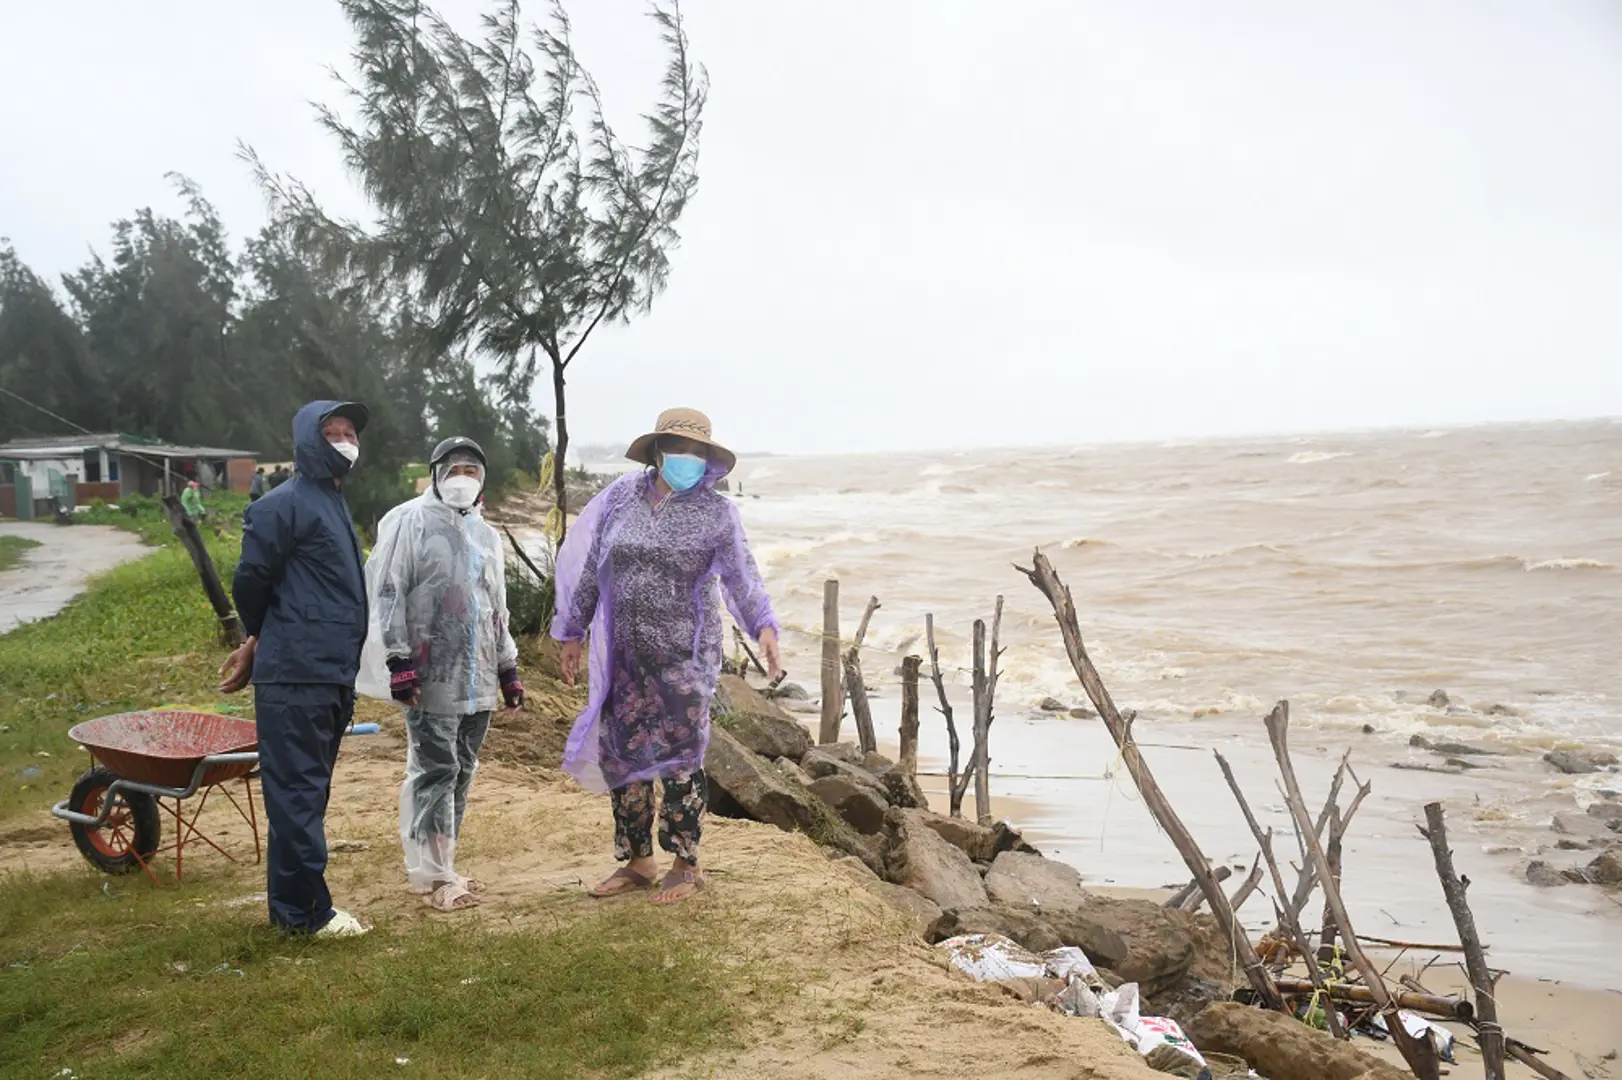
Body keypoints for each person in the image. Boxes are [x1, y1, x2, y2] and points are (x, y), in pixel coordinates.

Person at [551, 407, 781, 905]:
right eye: (680, 448)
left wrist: (763, 625)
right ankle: (638, 862)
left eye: (699, 451)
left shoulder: (717, 513)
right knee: (623, 755)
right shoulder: (620, 498)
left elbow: (743, 577)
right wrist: (572, 629)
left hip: (685, 657)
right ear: (657, 451)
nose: (689, 458)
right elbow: (594, 565)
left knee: (680, 761)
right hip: (625, 656)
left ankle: (685, 862)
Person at [219, 400, 371, 937]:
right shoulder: (282, 505)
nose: (343, 440)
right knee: (298, 795)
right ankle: (307, 915)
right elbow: (252, 581)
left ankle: (294, 909)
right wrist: (261, 638)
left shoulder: (331, 502)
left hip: (329, 673)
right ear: (308, 440)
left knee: (307, 794)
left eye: (349, 432)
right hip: (297, 676)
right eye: (331, 432)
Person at [356, 436, 525, 912]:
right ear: (435, 473)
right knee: (435, 769)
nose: (463, 478)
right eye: (454, 469)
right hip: (429, 674)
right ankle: (433, 877)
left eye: (472, 470)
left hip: (477, 677)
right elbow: (387, 591)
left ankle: (445, 864)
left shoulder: (485, 535)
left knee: (462, 771)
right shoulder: (410, 521)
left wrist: (508, 667)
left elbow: (496, 608)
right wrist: (398, 660)